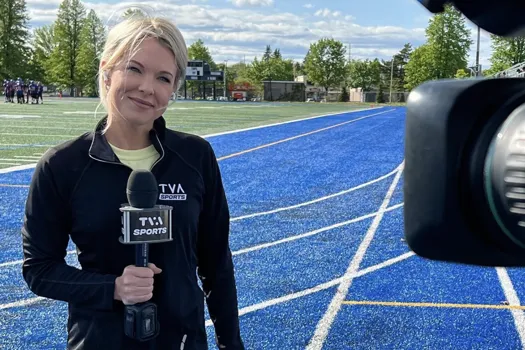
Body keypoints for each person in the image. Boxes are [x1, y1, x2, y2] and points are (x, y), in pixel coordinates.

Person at [21, 13, 244, 350]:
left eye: (163, 78)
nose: (147, 88)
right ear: (107, 70)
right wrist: (112, 287)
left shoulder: (195, 157)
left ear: (173, 89)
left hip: (183, 341)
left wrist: (231, 344)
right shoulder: (63, 165)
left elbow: (216, 264)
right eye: (134, 69)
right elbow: (39, 269)